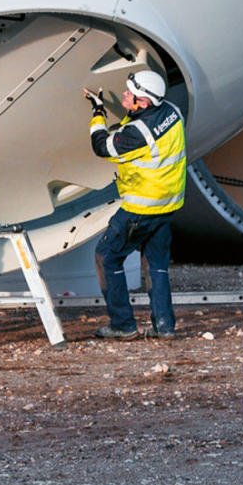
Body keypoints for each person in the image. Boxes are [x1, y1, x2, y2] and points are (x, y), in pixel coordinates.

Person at [85, 71, 186, 339]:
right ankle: (164, 327)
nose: (124, 95)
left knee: (107, 256)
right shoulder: (172, 111)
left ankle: (123, 324)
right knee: (157, 265)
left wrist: (98, 111)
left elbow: (101, 145)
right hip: (167, 205)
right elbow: (139, 126)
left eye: (129, 93)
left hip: (141, 209)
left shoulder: (136, 135)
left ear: (143, 103)